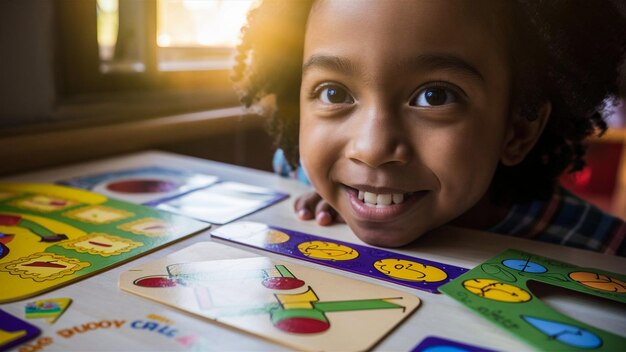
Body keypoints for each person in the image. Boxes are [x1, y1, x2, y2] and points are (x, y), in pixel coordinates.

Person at [232, 0, 626, 256]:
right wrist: (330, 194)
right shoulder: (296, 171)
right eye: (333, 92)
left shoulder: (604, 251)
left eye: (435, 97)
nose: (371, 149)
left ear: (518, 130)